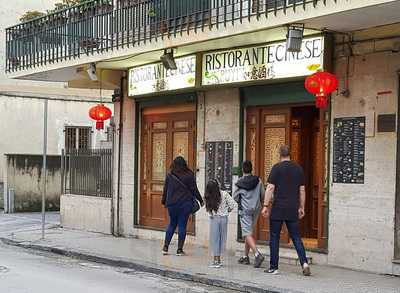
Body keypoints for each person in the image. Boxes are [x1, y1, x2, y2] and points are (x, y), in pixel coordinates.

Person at [262, 145, 311, 276]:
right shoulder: (298, 169)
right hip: (292, 208)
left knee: (274, 237)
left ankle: (273, 267)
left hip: (278, 207)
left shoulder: (276, 168)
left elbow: (270, 188)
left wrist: (265, 206)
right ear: (290, 154)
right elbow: (302, 190)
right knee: (296, 237)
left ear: (280, 155)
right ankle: (304, 263)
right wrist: (302, 207)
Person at [161, 156, 204, 256]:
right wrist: (201, 200)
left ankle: (165, 247)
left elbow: (165, 189)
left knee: (172, 224)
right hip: (185, 204)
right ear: (184, 164)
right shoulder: (189, 175)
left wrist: (164, 201)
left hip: (172, 204)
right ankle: (179, 250)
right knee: (182, 225)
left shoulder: (169, 175)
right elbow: (194, 189)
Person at [233, 160, 265, 268]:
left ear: (242, 169)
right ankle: (245, 256)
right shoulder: (259, 181)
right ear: (252, 168)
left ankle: (257, 254)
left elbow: (235, 197)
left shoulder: (239, 183)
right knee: (249, 232)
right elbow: (262, 195)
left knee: (247, 233)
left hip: (245, 210)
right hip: (256, 209)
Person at [204, 179, 236, 268]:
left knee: (215, 239)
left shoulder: (208, 196)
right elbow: (233, 204)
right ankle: (219, 259)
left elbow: (208, 209)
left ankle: (216, 260)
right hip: (224, 218)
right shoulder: (224, 194)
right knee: (222, 238)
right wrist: (227, 211)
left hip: (214, 219)